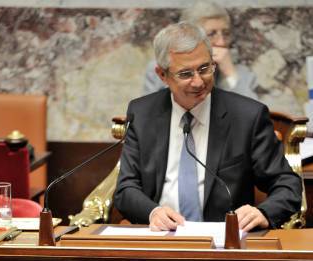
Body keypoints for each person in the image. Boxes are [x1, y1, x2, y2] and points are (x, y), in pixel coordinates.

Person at [114, 22, 301, 232]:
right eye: (185, 74)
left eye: (205, 69)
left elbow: (286, 184)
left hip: (224, 242)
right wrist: (153, 212)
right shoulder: (142, 113)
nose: (198, 82)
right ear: (162, 75)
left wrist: (264, 212)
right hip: (161, 238)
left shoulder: (247, 116)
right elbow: (125, 189)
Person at [143, 1, 258, 100]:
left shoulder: (242, 73)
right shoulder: (160, 68)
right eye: (212, 34)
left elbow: (255, 118)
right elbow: (151, 113)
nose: (221, 42)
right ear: (190, 36)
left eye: (226, 33)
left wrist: (230, 75)